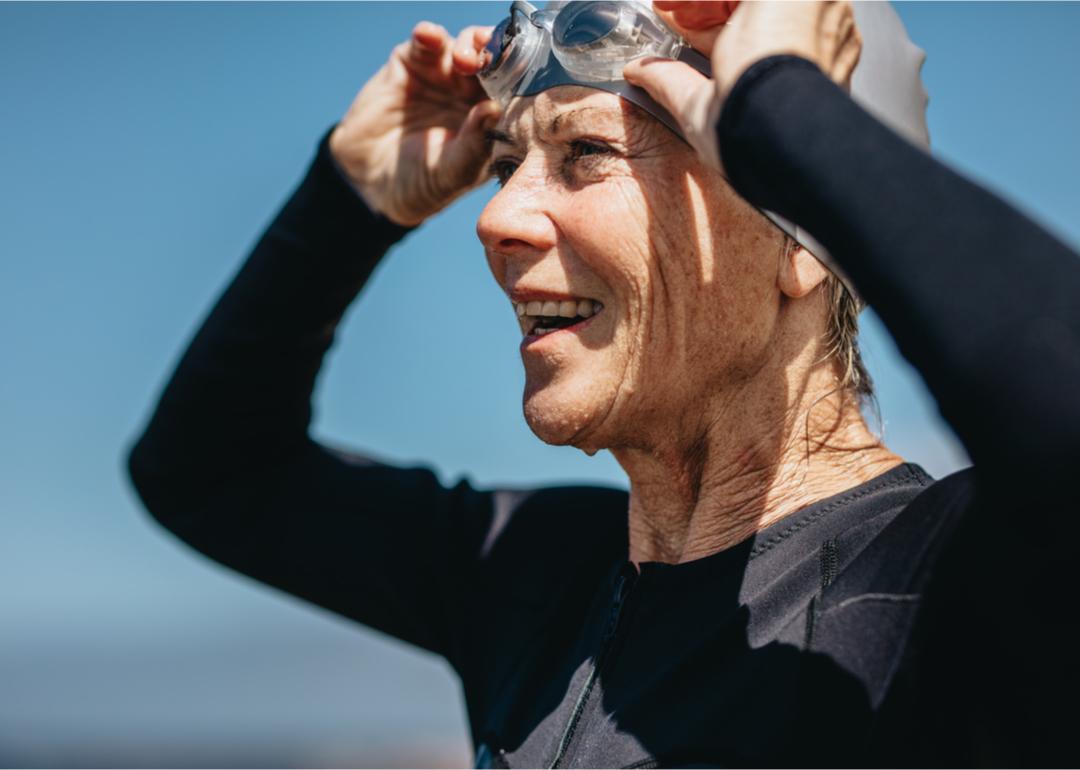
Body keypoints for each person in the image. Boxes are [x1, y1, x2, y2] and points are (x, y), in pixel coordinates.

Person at [127, 1, 1080, 765]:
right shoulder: (535, 580)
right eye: (505, 162)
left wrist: (780, 106)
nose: (497, 215)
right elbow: (208, 473)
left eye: (587, 154)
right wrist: (350, 199)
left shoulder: (948, 594)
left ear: (799, 239)